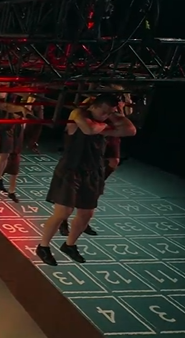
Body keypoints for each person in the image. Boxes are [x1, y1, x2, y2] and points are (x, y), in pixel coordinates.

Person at [36, 94, 136, 265]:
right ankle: (43, 246)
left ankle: (69, 245)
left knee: (86, 213)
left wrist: (110, 119)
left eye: (110, 113)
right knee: (63, 212)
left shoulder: (105, 119)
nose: (106, 116)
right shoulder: (78, 114)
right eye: (104, 112)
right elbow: (89, 129)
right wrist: (109, 126)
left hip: (93, 171)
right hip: (70, 170)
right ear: (94, 106)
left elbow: (131, 130)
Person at [0, 87, 29, 203]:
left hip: (8, 126)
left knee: (5, 154)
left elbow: (22, 97)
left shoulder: (12, 94)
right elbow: (4, 105)